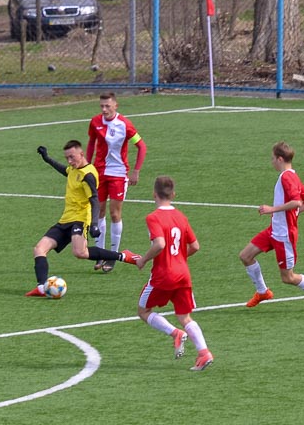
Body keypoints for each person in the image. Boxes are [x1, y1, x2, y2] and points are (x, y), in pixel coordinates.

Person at [26, 140, 142, 297]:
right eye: (67, 157)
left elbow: (94, 200)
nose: (69, 161)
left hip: (80, 220)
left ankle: (123, 256)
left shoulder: (88, 175)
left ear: (81, 154)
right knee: (39, 249)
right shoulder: (74, 168)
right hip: (65, 220)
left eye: (72, 157)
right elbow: (65, 170)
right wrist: (47, 158)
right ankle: (41, 288)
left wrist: (94, 224)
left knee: (80, 253)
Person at [239, 141, 304, 312]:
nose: (272, 161)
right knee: (245, 256)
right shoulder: (292, 176)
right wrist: (291, 215)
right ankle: (262, 292)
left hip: (284, 236)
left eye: (273, 158)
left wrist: (272, 210)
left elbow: (297, 202)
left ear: (280, 159)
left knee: (288, 277)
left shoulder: (287, 177)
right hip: (274, 230)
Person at [135, 176, 213, 371]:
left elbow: (160, 244)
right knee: (185, 316)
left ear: (154, 194)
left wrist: (143, 259)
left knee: (143, 311)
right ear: (173, 195)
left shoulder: (153, 217)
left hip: (163, 275)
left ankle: (175, 334)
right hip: (183, 273)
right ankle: (204, 353)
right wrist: (178, 258)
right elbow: (195, 246)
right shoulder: (181, 216)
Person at [86, 92, 147, 273]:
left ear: (115, 106)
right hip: (98, 172)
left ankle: (112, 255)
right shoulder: (95, 122)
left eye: (107, 106)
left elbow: (141, 146)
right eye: (101, 106)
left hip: (118, 174)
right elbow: (91, 143)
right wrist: (86, 167)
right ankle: (99, 254)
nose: (104, 109)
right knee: (99, 211)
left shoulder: (125, 125)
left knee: (114, 213)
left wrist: (136, 171)